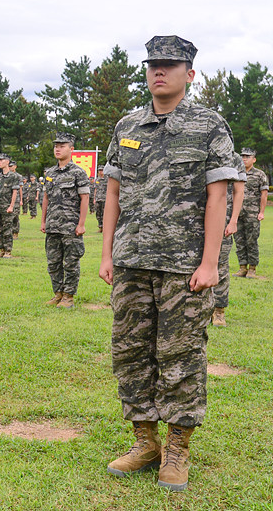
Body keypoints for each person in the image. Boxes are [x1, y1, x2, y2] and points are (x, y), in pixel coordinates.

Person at [99, 35, 240, 492]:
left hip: (185, 265)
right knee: (131, 353)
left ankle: (177, 450)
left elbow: (218, 195)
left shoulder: (209, 124)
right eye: (153, 64)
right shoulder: (128, 124)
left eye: (170, 64)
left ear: (189, 73)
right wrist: (106, 255)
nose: (159, 71)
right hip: (132, 261)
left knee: (180, 356)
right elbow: (114, 194)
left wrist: (211, 262)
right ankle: (145, 442)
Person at [40, 132, 90, 308]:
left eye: (62, 146)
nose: (57, 149)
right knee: (53, 262)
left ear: (71, 149)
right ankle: (58, 293)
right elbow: (46, 198)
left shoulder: (79, 173)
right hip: (53, 225)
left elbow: (84, 198)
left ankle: (69, 296)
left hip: (70, 226)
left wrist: (81, 224)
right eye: (56, 146)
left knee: (70, 262)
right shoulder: (50, 173)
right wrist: (43, 221)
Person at [212, 155, 245, 326]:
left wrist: (233, 221)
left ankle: (219, 311)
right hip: (193, 221)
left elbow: (238, 191)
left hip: (222, 221)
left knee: (221, 265)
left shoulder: (233, 158)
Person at [233, 147, 268, 278]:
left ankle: (252, 269)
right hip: (238, 213)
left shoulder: (260, 174)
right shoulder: (236, 173)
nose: (244, 159)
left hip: (253, 214)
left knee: (251, 240)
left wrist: (262, 212)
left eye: (247, 157)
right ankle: (242, 268)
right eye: (242, 156)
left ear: (254, 159)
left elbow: (264, 194)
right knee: (239, 240)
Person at [0, 154, 19, 258]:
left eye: (2, 160)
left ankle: (8, 251)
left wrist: (11, 206)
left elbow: (15, 192)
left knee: (7, 229)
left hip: (7, 207)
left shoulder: (13, 176)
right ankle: (2, 250)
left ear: (7, 162)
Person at [10, 161, 23, 238]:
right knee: (8, 217)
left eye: (12, 166)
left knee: (15, 216)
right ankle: (10, 232)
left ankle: (15, 232)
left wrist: (21, 199)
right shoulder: (6, 175)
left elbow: (20, 189)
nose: (11, 167)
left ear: (15, 166)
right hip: (8, 199)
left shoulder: (18, 176)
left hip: (17, 199)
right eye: (10, 166)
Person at [94, 168, 107, 232]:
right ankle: (100, 227)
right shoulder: (97, 179)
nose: (100, 172)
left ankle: (105, 227)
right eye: (99, 170)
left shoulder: (107, 179)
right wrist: (94, 198)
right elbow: (95, 189)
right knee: (98, 214)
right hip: (98, 198)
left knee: (105, 214)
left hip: (105, 199)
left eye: (102, 170)